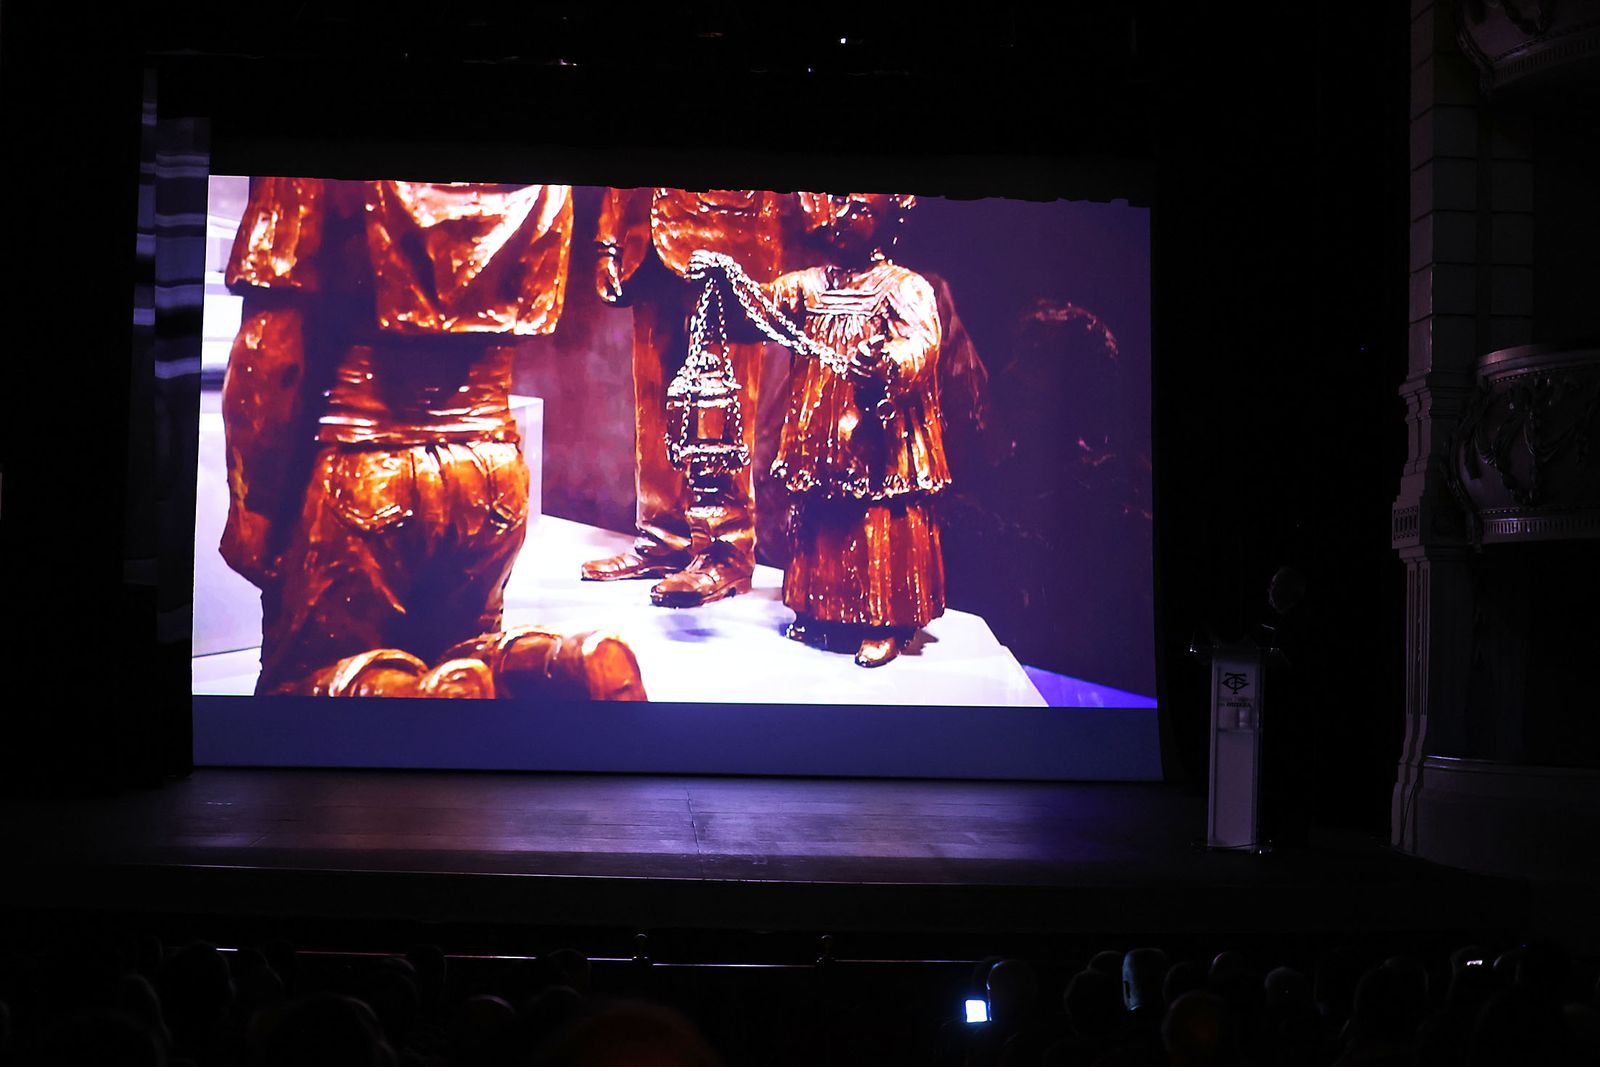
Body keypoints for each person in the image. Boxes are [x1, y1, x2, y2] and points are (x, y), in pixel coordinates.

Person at [221, 178, 643, 698]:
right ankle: (561, 667)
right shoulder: (539, 179)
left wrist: (255, 506)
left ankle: (410, 696)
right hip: (493, 473)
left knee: (298, 694)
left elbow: (273, 353)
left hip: (365, 469)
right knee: (460, 660)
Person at [693, 192, 950, 666]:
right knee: (819, 520)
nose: (843, 218)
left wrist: (889, 360)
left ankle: (884, 621)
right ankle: (820, 608)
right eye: (839, 206)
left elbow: (922, 344)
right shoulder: (809, 286)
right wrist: (727, 282)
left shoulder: (902, 287)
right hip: (820, 435)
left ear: (888, 223)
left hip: (876, 438)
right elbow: (761, 310)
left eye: (861, 211)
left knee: (875, 522)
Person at [582, 188, 785, 607]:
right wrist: (609, 242)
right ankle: (664, 537)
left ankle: (725, 550)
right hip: (650, 245)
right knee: (655, 406)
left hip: (730, 236)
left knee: (720, 411)